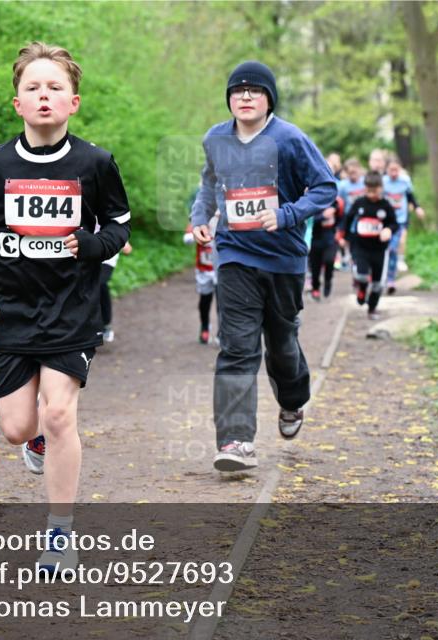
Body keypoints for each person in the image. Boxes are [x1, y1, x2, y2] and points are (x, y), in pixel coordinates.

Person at [0, 41, 131, 571]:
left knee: (59, 413)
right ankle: (32, 441)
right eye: (32, 87)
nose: (44, 95)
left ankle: (60, 534)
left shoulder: (95, 162)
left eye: (55, 87)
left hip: (71, 311)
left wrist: (93, 245)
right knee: (16, 427)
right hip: (9, 313)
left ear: (73, 101)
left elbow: (119, 225)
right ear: (18, 103)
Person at [190, 60, 336, 472]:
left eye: (255, 90)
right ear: (229, 99)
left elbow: (325, 186)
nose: (246, 96)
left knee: (282, 345)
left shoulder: (290, 139)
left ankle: (292, 400)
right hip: (235, 254)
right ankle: (235, 441)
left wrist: (287, 214)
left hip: (284, 259)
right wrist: (200, 216)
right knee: (237, 347)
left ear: (269, 99)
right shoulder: (216, 138)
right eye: (238, 91)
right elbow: (208, 184)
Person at [343, 171, 399, 319]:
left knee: (377, 283)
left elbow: (394, 224)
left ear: (381, 188)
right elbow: (348, 219)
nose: (371, 194)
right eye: (368, 191)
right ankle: (362, 290)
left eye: (374, 191)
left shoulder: (386, 205)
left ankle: (372, 309)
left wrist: (388, 229)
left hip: (380, 249)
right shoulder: (359, 203)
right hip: (361, 246)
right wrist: (346, 237)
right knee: (362, 276)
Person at [382, 157, 424, 292]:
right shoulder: (383, 182)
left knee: (393, 248)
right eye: (391, 170)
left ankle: (390, 278)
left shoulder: (405, 181)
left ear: (400, 169)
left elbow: (411, 197)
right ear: (386, 170)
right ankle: (381, 276)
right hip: (385, 221)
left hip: (400, 219)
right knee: (384, 249)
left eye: (396, 170)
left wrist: (417, 208)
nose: (394, 173)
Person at [184, 211, 220, 344]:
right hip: (204, 269)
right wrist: (196, 234)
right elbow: (186, 239)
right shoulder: (200, 215)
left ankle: (222, 332)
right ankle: (205, 327)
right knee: (205, 300)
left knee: (223, 301)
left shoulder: (226, 214)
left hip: (222, 268)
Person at [98, 235, 133, 343]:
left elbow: (128, 249)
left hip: (107, 259)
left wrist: (123, 241)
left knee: (101, 284)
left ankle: (106, 325)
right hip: (88, 257)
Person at [308, 195, 343, 301]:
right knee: (315, 267)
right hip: (315, 239)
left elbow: (342, 218)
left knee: (329, 261)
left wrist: (340, 232)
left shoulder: (336, 202)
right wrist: (322, 216)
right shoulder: (312, 201)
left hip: (331, 239)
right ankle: (315, 288)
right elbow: (308, 221)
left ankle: (328, 281)